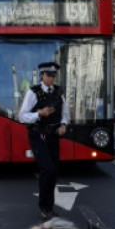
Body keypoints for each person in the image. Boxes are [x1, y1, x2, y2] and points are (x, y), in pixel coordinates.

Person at [18, 61, 69, 220]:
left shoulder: (59, 92)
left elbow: (65, 113)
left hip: (53, 135)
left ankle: (49, 207)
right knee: (48, 169)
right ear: (42, 75)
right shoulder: (33, 92)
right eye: (48, 76)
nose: (51, 79)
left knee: (54, 172)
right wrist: (39, 114)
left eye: (54, 76)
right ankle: (44, 207)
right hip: (38, 135)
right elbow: (22, 116)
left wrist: (63, 125)